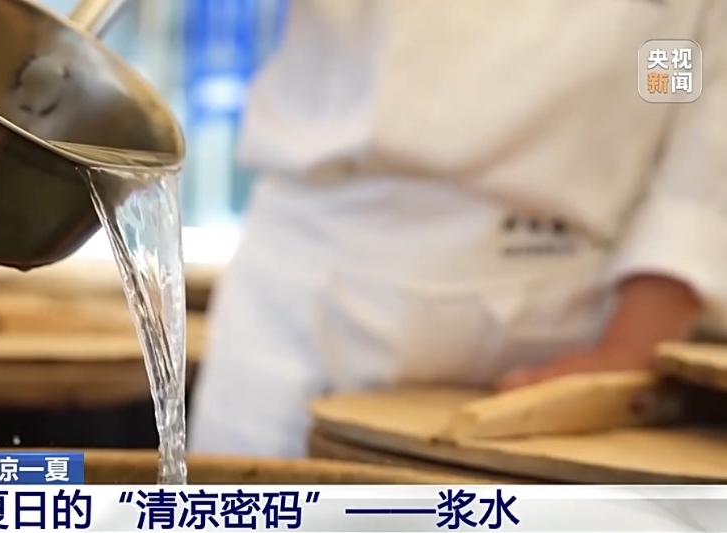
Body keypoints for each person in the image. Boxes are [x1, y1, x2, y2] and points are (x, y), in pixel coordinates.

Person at [187, 0, 727, 458]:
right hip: (310, 301)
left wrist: (629, 351)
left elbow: (693, 121)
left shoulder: (669, 47)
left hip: (560, 333)